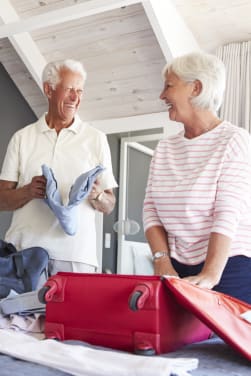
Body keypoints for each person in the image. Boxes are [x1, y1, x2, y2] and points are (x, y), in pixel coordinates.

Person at [143, 51, 251, 304]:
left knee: (220, 344)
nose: (162, 95)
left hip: (229, 268)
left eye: (169, 86)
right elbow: (150, 209)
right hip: (177, 269)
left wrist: (211, 275)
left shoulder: (234, 141)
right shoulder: (165, 149)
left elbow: (227, 213)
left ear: (196, 88)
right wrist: (162, 260)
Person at [0, 59, 117, 276]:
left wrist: (97, 195)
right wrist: (27, 191)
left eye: (80, 91)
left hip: (76, 258)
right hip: (23, 254)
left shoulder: (96, 139)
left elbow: (109, 204)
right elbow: (1, 199)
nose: (76, 98)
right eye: (70, 89)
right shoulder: (22, 138)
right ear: (49, 89)